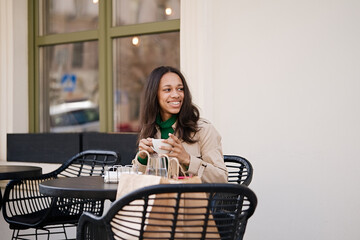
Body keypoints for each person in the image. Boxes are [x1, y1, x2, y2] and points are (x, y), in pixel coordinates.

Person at [134, 66, 228, 183]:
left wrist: (188, 160)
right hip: (158, 199)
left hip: (192, 200)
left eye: (180, 89)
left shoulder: (203, 129)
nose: (176, 95)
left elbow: (221, 178)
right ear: (154, 94)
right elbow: (137, 181)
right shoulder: (149, 129)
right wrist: (142, 158)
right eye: (167, 90)